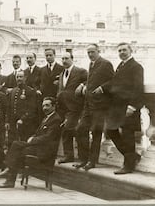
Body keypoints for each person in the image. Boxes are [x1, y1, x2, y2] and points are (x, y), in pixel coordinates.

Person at [94, 42, 144, 174]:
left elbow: (138, 88)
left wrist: (132, 106)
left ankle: (128, 166)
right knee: (111, 130)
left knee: (128, 136)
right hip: (117, 106)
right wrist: (102, 87)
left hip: (128, 107)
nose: (122, 52)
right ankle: (132, 157)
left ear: (131, 51)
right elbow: (114, 82)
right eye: (120, 51)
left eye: (124, 50)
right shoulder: (121, 66)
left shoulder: (136, 66)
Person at [0, 97, 62, 188]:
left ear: (54, 106)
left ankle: (9, 174)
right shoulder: (46, 118)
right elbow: (39, 133)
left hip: (45, 152)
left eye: (47, 105)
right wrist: (33, 136)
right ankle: (9, 174)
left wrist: (33, 140)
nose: (44, 108)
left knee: (16, 149)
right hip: (38, 147)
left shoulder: (56, 119)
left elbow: (48, 137)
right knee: (16, 146)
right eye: (43, 106)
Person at [74, 44, 114, 170]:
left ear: (98, 51)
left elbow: (113, 81)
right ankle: (83, 159)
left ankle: (92, 161)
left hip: (100, 106)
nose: (90, 54)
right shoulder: (91, 64)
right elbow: (92, 80)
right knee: (80, 129)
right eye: (88, 52)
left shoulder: (106, 64)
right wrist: (84, 84)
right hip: (88, 105)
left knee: (96, 133)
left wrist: (102, 88)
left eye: (92, 52)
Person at [56, 52, 88, 164]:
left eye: (66, 58)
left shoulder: (80, 71)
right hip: (64, 108)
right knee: (66, 130)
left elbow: (90, 80)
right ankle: (69, 155)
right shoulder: (61, 74)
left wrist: (83, 84)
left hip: (77, 108)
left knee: (75, 131)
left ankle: (82, 158)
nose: (64, 61)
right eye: (62, 58)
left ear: (72, 59)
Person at [7, 70, 37, 143]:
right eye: (17, 77)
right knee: (12, 141)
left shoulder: (30, 91)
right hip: (13, 122)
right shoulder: (13, 91)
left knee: (23, 142)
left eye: (21, 77)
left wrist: (23, 119)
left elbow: (32, 109)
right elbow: (9, 107)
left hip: (25, 123)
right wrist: (7, 121)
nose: (19, 79)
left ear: (25, 78)